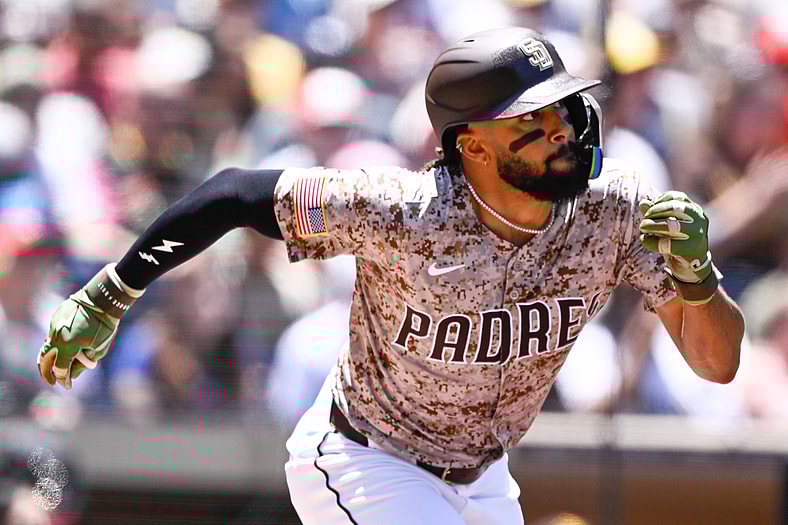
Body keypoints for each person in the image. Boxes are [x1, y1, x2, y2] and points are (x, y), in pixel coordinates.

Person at [36, 27, 744, 525]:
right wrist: (110, 292)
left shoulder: (616, 208)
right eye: (531, 119)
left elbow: (717, 364)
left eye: (563, 108)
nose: (561, 129)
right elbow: (231, 193)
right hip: (366, 456)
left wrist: (699, 280)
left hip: (484, 476)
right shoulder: (402, 211)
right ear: (473, 146)